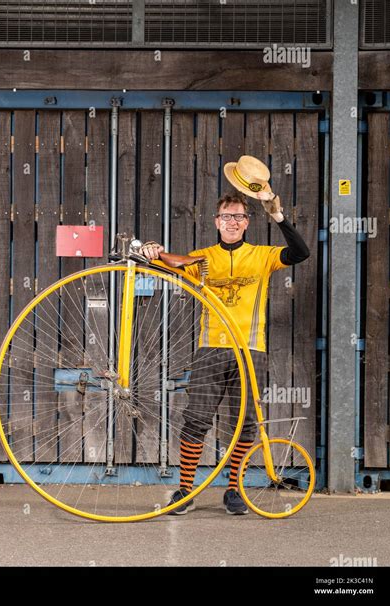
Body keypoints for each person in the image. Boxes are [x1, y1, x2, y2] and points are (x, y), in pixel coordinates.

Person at [141, 166, 310, 515]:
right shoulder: (202, 258)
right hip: (210, 349)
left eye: (238, 217)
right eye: (225, 217)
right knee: (196, 420)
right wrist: (151, 249)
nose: (232, 222)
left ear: (247, 222)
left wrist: (275, 212)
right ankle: (185, 491)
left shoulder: (262, 256)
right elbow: (162, 264)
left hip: (250, 350)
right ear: (217, 222)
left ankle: (234, 490)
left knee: (244, 424)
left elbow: (300, 252)